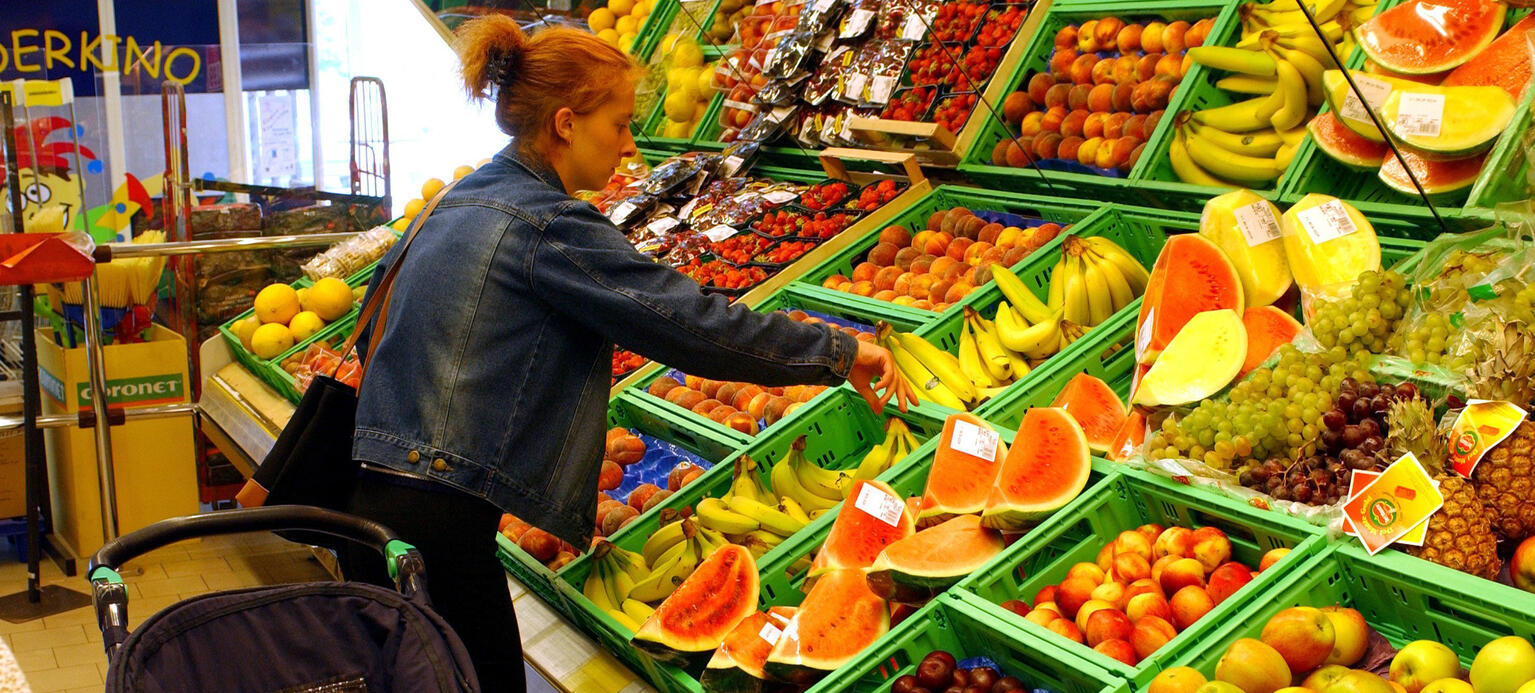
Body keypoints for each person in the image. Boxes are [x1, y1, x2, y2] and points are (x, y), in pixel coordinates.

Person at [338, 15, 912, 692]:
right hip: (440, 514)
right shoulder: (548, 222)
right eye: (616, 124)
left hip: (376, 495)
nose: (628, 146)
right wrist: (839, 351)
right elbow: (689, 323)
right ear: (564, 123)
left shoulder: (466, 196)